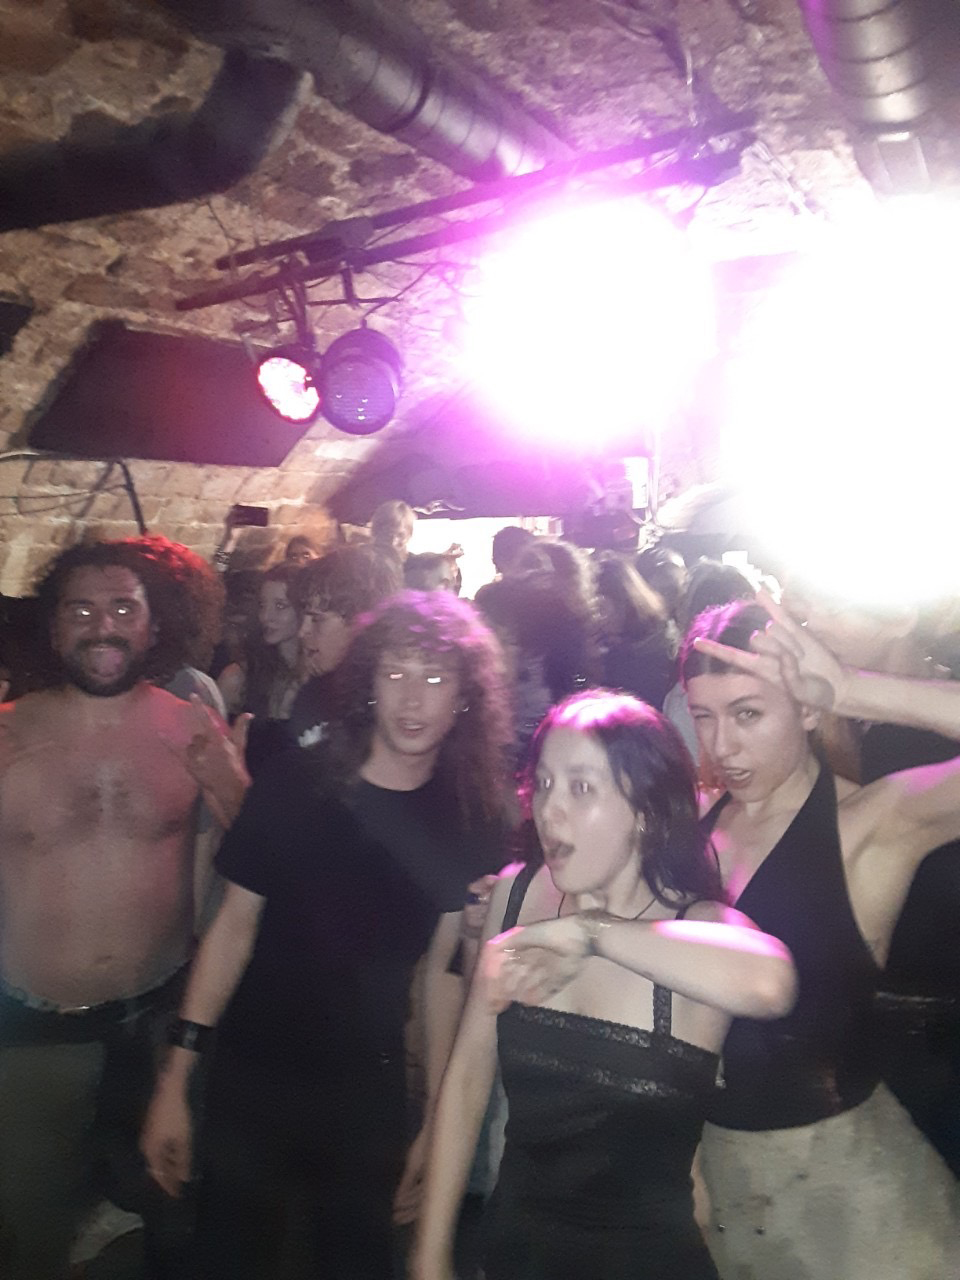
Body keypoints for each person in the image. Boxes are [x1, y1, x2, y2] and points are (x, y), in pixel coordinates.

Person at [141, 591, 512, 1280]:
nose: (412, 698)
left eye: (435, 677)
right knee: (227, 1259)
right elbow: (234, 926)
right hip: (253, 1069)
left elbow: (441, 975)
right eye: (395, 672)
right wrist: (177, 1076)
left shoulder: (470, 814)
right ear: (369, 682)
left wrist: (437, 1120)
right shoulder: (298, 781)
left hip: (367, 1085)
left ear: (465, 695)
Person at [412, 690, 797, 1280]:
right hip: (515, 1254)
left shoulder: (693, 928)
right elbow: (466, 1082)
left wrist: (593, 933)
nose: (550, 810)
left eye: (581, 788)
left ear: (644, 811)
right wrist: (429, 1255)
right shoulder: (517, 896)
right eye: (543, 784)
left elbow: (773, 984)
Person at [682, 596, 960, 1279]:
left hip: (855, 1210)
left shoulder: (869, 825)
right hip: (718, 1198)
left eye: (748, 714)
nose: (722, 746)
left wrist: (852, 688)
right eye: (704, 716)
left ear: (807, 709)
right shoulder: (692, 828)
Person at [0, 536, 231, 1280]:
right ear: (52, 626)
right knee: (28, 1227)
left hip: (159, 1022)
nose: (103, 626)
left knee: (169, 1215)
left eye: (124, 608)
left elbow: (256, 863)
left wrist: (233, 784)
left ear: (154, 624)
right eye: (81, 610)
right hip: (34, 1035)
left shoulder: (193, 727)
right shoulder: (7, 731)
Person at [288, 543, 404, 748]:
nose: (302, 632)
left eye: (317, 619)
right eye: (304, 618)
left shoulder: (394, 705)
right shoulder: (314, 694)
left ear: (362, 622)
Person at [595, 552, 676, 710]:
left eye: (601, 608)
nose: (596, 618)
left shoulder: (650, 652)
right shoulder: (610, 644)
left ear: (622, 601)